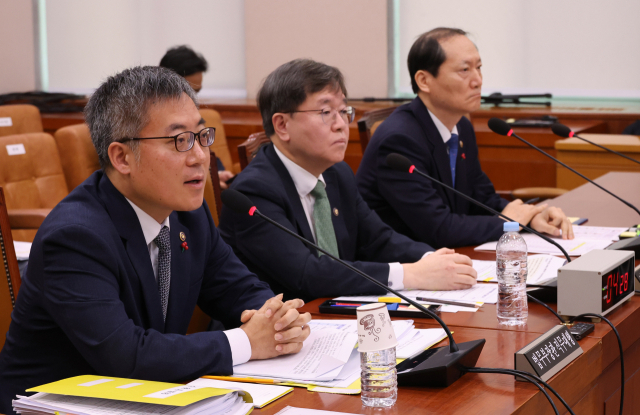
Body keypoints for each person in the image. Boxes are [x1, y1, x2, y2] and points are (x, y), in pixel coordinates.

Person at [0, 66, 310, 414]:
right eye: (179, 141)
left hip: (146, 400)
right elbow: (126, 356)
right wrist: (246, 341)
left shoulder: (188, 214)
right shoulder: (75, 237)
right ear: (122, 157)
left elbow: (237, 288)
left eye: (201, 136)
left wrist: (277, 319)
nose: (199, 156)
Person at [218, 59, 477, 303]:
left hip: (335, 316)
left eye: (343, 111)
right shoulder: (254, 192)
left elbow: (379, 240)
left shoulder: (337, 173)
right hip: (283, 324)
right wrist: (410, 274)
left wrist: (431, 259)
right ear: (282, 125)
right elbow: (307, 275)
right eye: (326, 112)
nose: (341, 124)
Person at [356, 28, 574, 248]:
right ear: (424, 80)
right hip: (403, 261)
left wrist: (531, 218)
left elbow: (482, 199)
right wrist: (509, 223)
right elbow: (438, 229)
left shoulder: (461, 126)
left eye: (479, 67)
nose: (477, 80)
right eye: (464, 70)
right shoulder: (399, 141)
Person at [160, 45, 235, 188]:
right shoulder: (154, 124)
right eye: (188, 91)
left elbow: (206, 152)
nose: (194, 100)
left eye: (197, 92)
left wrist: (217, 173)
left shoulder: (194, 118)